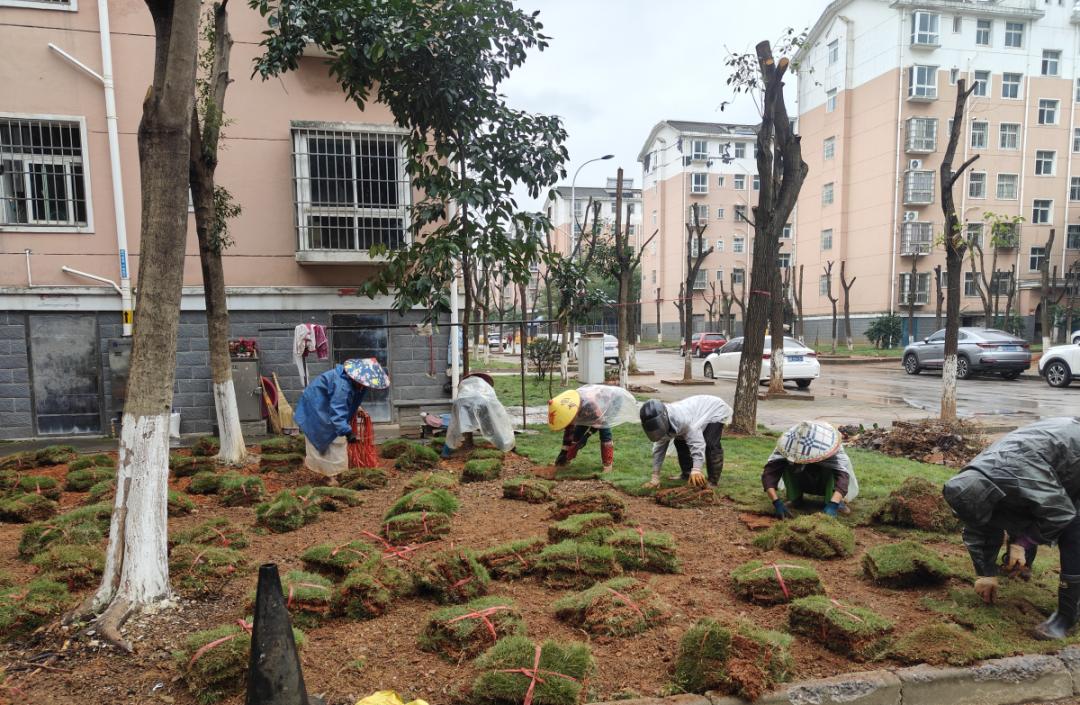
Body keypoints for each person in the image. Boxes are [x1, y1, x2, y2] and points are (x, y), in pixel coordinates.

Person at [943, 417, 1080, 640]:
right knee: (1023, 505)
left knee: (1073, 531)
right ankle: (1023, 565)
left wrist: (1021, 543)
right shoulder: (973, 481)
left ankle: (1066, 618)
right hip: (1052, 459)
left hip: (1071, 454)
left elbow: (1059, 514)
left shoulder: (1020, 474)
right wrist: (985, 573)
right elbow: (979, 526)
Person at [294, 358, 389, 477]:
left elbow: (346, 401)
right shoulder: (342, 386)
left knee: (334, 441)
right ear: (358, 378)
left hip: (324, 406)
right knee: (335, 442)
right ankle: (333, 476)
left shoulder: (356, 383)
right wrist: (348, 432)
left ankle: (330, 474)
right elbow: (338, 412)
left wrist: (357, 408)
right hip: (315, 410)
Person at [762, 421, 859, 518]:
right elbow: (769, 474)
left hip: (824, 482)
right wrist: (776, 502)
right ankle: (795, 498)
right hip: (803, 479)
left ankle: (834, 502)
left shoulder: (832, 448)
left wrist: (834, 504)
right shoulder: (786, 446)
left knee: (832, 473)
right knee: (787, 466)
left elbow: (842, 478)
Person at [639, 395, 732, 489]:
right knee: (679, 442)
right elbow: (659, 450)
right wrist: (655, 477)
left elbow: (697, 444)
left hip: (714, 409)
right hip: (696, 410)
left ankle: (713, 481)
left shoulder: (683, 420)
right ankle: (686, 474)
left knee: (711, 443)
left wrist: (696, 469)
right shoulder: (662, 423)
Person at [548, 385, 639, 474]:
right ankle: (565, 460)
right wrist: (564, 454)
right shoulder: (568, 411)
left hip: (612, 401)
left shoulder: (590, 405)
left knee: (605, 432)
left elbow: (601, 421)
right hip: (589, 409)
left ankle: (607, 465)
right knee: (577, 434)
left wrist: (587, 436)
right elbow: (569, 434)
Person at [442, 373, 515, 457]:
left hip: (461, 403)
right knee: (494, 426)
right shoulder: (484, 384)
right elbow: (493, 402)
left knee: (455, 428)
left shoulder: (466, 383)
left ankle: (445, 452)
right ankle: (505, 445)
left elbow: (461, 394)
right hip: (481, 402)